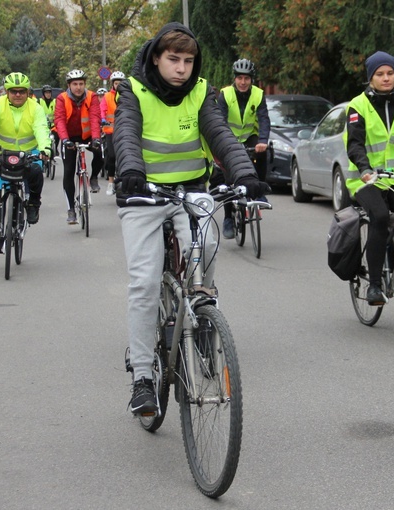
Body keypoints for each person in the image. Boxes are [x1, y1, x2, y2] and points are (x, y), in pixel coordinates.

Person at [114, 22, 269, 414]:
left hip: (191, 191)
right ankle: (143, 378)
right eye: (173, 60)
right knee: (144, 283)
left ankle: (199, 310)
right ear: (155, 58)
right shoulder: (134, 91)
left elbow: (219, 134)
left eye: (188, 61)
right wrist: (130, 171)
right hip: (143, 195)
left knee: (210, 242)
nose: (182, 68)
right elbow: (127, 134)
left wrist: (246, 175)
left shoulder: (202, 93)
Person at [345, 51, 394, 305]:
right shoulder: (358, 106)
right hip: (366, 179)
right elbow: (355, 145)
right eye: (380, 74)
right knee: (378, 217)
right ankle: (375, 285)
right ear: (370, 78)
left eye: (390, 73)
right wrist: (365, 169)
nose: (386, 78)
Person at [0, 72, 51, 253]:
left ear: (27, 92)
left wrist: (45, 148)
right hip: (4, 154)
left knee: (36, 173)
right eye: (13, 91)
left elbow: (41, 128)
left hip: (29, 152)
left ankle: (33, 203)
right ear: (6, 92)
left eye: (22, 91)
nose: (18, 95)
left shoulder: (36, 108)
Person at [216, 58, 271, 238]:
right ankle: (228, 218)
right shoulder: (225, 95)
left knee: (261, 153)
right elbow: (220, 120)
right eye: (239, 78)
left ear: (251, 80)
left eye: (246, 79)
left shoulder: (258, 94)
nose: (243, 82)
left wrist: (263, 140)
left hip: (249, 137)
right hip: (228, 138)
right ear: (235, 79)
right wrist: (224, 145)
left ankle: (259, 192)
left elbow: (263, 119)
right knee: (227, 177)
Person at [54, 69, 103, 224]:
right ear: (69, 85)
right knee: (68, 172)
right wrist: (65, 140)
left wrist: (95, 138)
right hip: (69, 137)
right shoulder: (62, 98)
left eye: (81, 84)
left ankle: (94, 177)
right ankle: (71, 209)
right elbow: (60, 120)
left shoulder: (92, 96)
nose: (78, 87)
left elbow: (95, 118)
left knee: (100, 153)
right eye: (75, 84)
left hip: (88, 135)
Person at [100, 71, 125, 195]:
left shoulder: (127, 95)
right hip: (110, 130)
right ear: (112, 84)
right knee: (111, 156)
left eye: (120, 83)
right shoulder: (107, 96)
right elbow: (102, 109)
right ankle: (110, 182)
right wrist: (103, 119)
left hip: (124, 130)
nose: (118, 85)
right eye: (116, 83)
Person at [38, 84, 58, 157]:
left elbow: (58, 112)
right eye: (46, 93)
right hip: (43, 125)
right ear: (43, 93)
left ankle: (55, 148)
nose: (48, 94)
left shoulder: (55, 101)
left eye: (49, 92)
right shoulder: (39, 101)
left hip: (53, 125)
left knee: (57, 134)